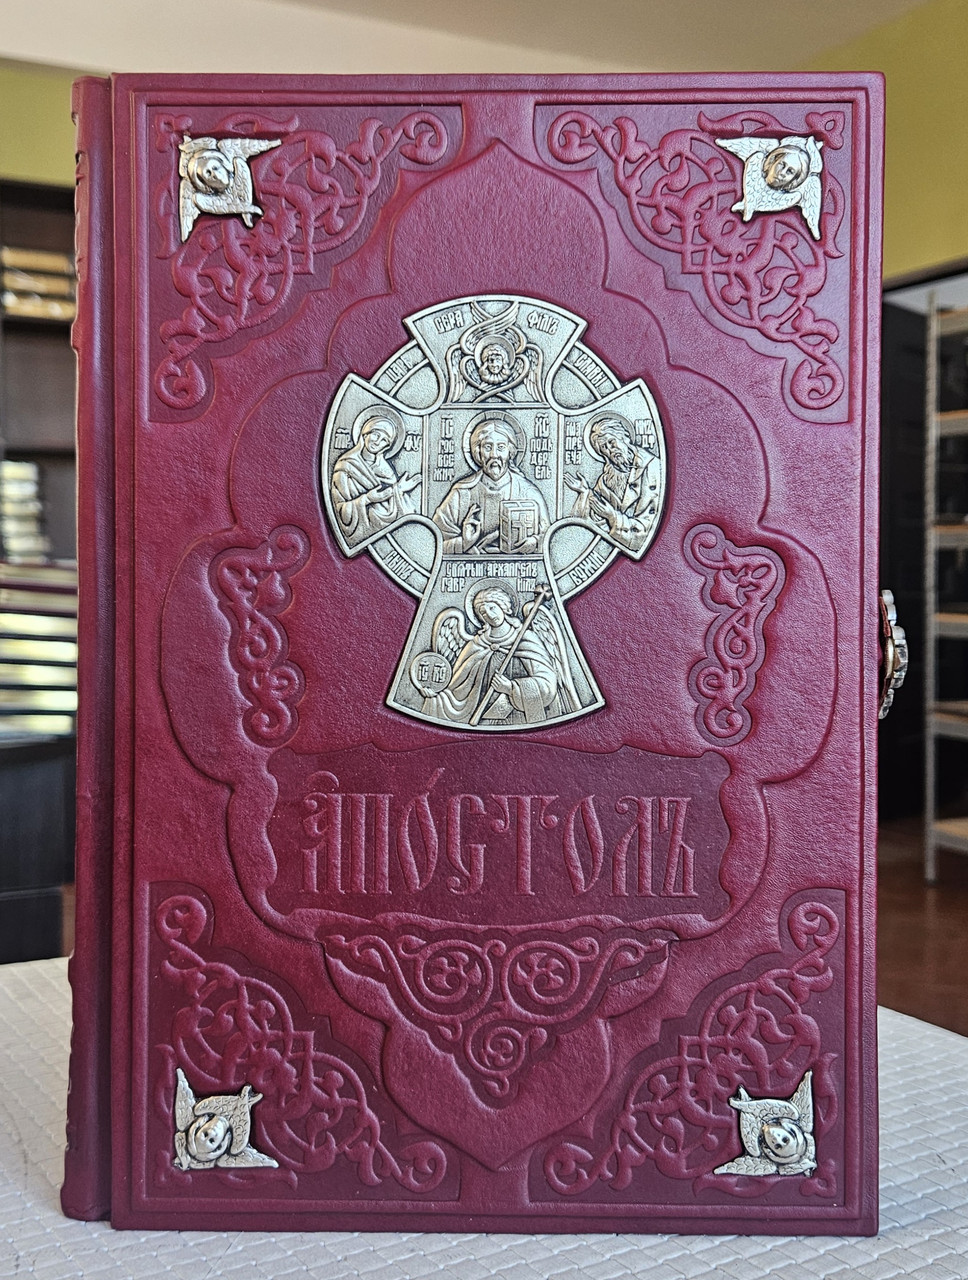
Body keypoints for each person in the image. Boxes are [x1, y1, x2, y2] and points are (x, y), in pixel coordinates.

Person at [424, 586, 574, 726]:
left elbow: (548, 685)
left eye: (492, 608)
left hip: (519, 719)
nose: (490, 615)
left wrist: (511, 688)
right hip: (483, 719)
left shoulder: (525, 638)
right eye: (483, 613)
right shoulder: (476, 644)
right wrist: (434, 695)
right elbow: (456, 687)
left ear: (503, 606)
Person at [432, 418, 549, 555]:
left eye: (501, 447)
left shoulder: (528, 492)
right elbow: (432, 542)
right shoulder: (462, 493)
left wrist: (535, 542)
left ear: (510, 451)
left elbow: (548, 535)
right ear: (478, 452)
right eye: (488, 447)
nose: (494, 455)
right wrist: (464, 544)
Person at [565, 414, 659, 553]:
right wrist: (585, 492)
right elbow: (581, 529)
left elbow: (643, 536)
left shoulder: (652, 469)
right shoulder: (606, 480)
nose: (610, 449)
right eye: (604, 447)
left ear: (623, 438)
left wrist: (611, 516)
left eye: (611, 442)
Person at [331, 413, 420, 545]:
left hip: (388, 533)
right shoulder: (345, 467)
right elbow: (340, 511)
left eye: (384, 440)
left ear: (386, 447)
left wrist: (398, 490)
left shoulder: (386, 471)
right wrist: (367, 499)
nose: (377, 442)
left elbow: (401, 512)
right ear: (365, 435)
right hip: (364, 531)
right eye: (376, 435)